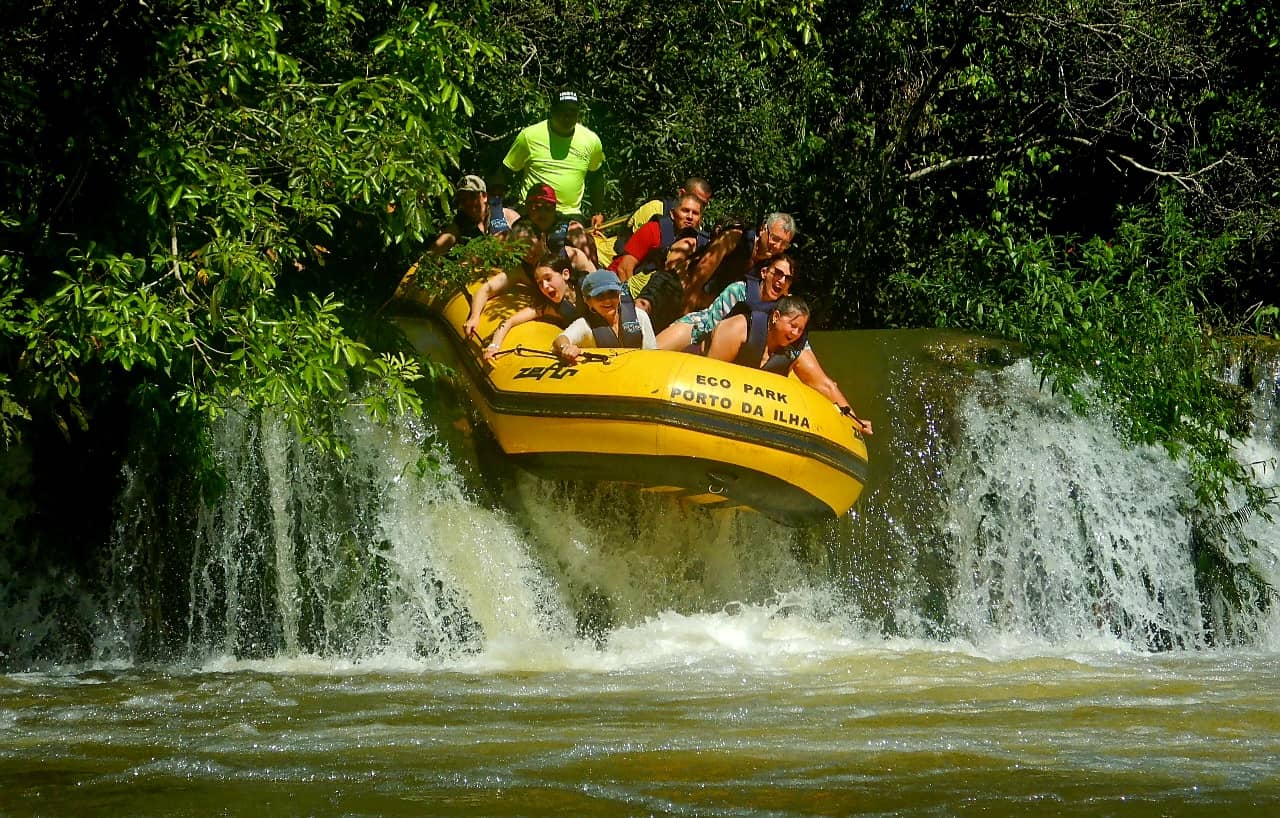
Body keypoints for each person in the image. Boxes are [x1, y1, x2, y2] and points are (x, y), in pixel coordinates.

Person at [706, 295, 874, 435]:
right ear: (776, 317)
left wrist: (856, 421)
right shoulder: (739, 328)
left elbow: (824, 385)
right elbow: (707, 374)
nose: (795, 334)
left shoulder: (795, 350)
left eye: (800, 330)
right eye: (792, 326)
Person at [500, 89, 606, 230]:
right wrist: (496, 204)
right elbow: (506, 171)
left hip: (569, 214)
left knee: (577, 243)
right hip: (533, 209)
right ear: (552, 111)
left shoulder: (591, 141)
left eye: (572, 113)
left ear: (578, 114)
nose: (567, 118)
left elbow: (596, 176)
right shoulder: (529, 136)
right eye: (562, 112)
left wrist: (597, 212)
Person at [655, 253, 797, 352]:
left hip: (740, 348)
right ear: (764, 273)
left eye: (788, 278)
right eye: (778, 273)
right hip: (699, 329)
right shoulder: (738, 290)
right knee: (653, 352)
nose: (782, 281)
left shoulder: (786, 310)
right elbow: (712, 325)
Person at [683, 212, 796, 312]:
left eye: (785, 244)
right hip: (690, 297)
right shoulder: (736, 238)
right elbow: (698, 276)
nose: (778, 247)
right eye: (775, 238)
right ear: (763, 229)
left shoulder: (773, 264)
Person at [462, 220, 546, 338]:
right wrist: (474, 317)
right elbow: (486, 289)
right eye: (520, 248)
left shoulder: (563, 258)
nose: (527, 252)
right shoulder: (520, 271)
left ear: (542, 238)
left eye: (529, 244)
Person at [552, 269, 657, 364]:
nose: (607, 301)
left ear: (619, 294)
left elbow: (652, 353)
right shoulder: (585, 325)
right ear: (588, 301)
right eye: (599, 296)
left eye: (612, 294)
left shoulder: (640, 316)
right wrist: (565, 347)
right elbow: (560, 339)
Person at [482, 259, 579, 360]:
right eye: (540, 283)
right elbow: (509, 321)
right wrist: (494, 346)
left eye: (548, 278)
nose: (545, 286)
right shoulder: (547, 307)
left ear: (565, 274)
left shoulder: (585, 287)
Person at [608, 193, 706, 281]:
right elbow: (623, 268)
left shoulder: (697, 243)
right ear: (672, 214)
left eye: (695, 213)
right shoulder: (653, 230)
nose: (690, 217)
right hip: (615, 281)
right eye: (685, 211)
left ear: (700, 219)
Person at [428, 174, 510, 257]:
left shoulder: (506, 215)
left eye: (472, 196)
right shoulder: (459, 224)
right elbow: (438, 247)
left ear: (485, 196)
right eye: (463, 199)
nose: (468, 202)